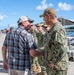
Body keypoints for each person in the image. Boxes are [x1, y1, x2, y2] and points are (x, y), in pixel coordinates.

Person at [31, 8, 69, 75]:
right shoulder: (52, 29)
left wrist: (54, 62)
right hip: (52, 67)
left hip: (58, 68)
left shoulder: (57, 29)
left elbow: (63, 49)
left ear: (48, 16)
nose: (43, 20)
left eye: (44, 17)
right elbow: (51, 47)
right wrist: (40, 52)